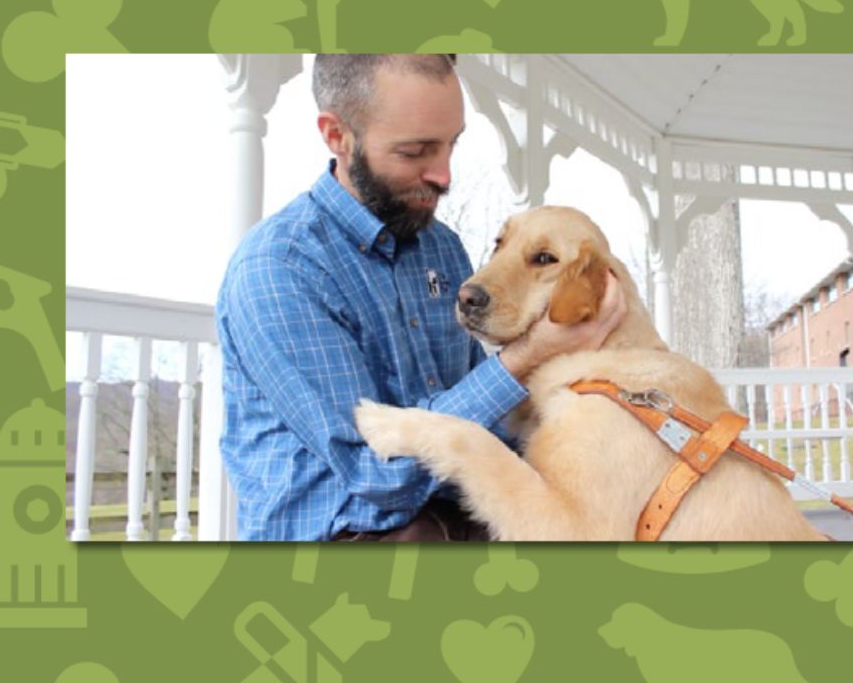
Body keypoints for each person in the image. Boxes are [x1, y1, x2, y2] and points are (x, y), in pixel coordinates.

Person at [216, 53, 626, 541]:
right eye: (416, 152)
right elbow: (378, 477)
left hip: (459, 515)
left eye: (452, 145)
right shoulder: (281, 269)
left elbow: (487, 416)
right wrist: (526, 358)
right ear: (337, 136)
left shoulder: (440, 247)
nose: (444, 175)